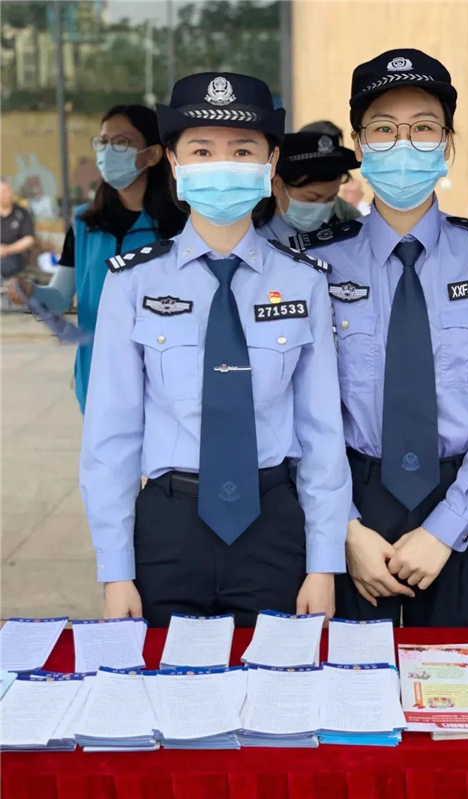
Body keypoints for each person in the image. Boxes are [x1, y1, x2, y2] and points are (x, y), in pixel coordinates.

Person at [79, 72, 351, 628]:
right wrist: (116, 570)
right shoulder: (132, 282)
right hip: (168, 530)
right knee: (163, 681)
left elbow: (322, 431)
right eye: (202, 150)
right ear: (174, 165)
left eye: (242, 150)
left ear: (270, 165)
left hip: (274, 525)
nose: (222, 164)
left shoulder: (304, 282)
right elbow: (111, 435)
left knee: (280, 681)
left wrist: (324, 562)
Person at [294, 49, 468, 628]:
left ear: (446, 143)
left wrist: (446, 529)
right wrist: (344, 528)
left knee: (459, 674)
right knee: (351, 674)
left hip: (462, 499)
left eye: (423, 128)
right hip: (353, 497)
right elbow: (297, 405)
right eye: (383, 129)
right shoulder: (316, 265)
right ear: (360, 143)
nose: (403, 143)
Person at [6, 105, 186, 413]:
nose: (108, 151)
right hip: (96, 379)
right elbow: (60, 297)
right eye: (103, 142)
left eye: (122, 142)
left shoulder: (180, 226)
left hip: (163, 383)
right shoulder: (84, 224)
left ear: (153, 154)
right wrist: (31, 292)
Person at [253, 131, 361, 242]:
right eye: (311, 198)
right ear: (278, 186)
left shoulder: (345, 237)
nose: (322, 207)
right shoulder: (255, 241)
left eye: (331, 198)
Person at [0, 178, 35, 283]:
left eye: (9, 190)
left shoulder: (22, 213)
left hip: (14, 256)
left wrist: (7, 250)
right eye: (4, 192)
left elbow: (29, 239)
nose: (8, 194)